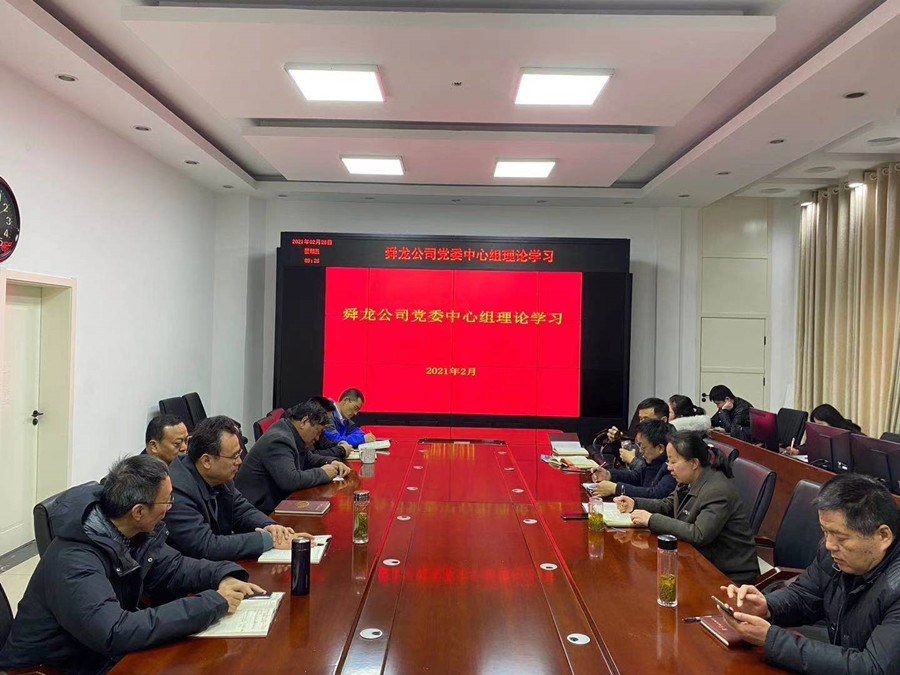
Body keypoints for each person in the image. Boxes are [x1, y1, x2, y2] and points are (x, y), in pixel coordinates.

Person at [0, 455, 263, 674]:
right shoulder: (73, 560)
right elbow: (114, 632)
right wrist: (211, 603)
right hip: (53, 668)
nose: (170, 508)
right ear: (138, 511)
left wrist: (223, 574)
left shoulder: (130, 531)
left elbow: (174, 567)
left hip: (96, 654)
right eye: (167, 500)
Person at [720, 474, 900, 673]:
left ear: (883, 536)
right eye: (825, 532)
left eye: (840, 538)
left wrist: (772, 639)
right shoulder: (833, 554)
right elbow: (805, 595)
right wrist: (767, 607)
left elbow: (872, 668)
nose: (829, 545)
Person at [614, 430, 759, 584]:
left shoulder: (717, 490)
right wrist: (635, 503)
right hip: (698, 561)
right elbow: (667, 504)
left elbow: (698, 534)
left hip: (728, 575)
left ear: (694, 463)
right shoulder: (689, 478)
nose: (669, 468)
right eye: (668, 461)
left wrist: (651, 519)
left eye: (673, 462)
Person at [165, 416, 306, 561]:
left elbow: (242, 510)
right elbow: (206, 546)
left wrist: (271, 527)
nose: (239, 461)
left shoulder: (221, 476)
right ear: (206, 461)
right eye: (234, 456)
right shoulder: (176, 490)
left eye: (239, 453)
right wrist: (266, 540)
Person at [235, 400, 352, 514]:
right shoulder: (279, 439)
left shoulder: (291, 432)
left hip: (274, 502)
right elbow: (290, 480)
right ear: (304, 422)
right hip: (257, 510)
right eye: (317, 432)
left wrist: (332, 462)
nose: (317, 438)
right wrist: (323, 473)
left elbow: (309, 458)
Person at [590, 419, 677, 499]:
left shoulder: (671, 467)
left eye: (643, 447)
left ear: (660, 448)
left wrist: (616, 488)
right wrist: (608, 475)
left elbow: (654, 494)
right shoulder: (652, 460)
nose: (640, 451)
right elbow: (636, 476)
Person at [591, 397, 669, 466]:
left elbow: (649, 473)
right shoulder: (642, 434)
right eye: (640, 419)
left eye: (646, 419)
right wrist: (615, 442)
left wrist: (632, 461)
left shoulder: (669, 443)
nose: (641, 423)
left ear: (663, 420)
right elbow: (625, 462)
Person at [309, 395, 354, 460]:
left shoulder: (320, 429)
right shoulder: (295, 438)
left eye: (328, 421)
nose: (327, 425)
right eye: (326, 420)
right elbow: (311, 455)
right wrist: (341, 450)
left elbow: (324, 443)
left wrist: (339, 444)